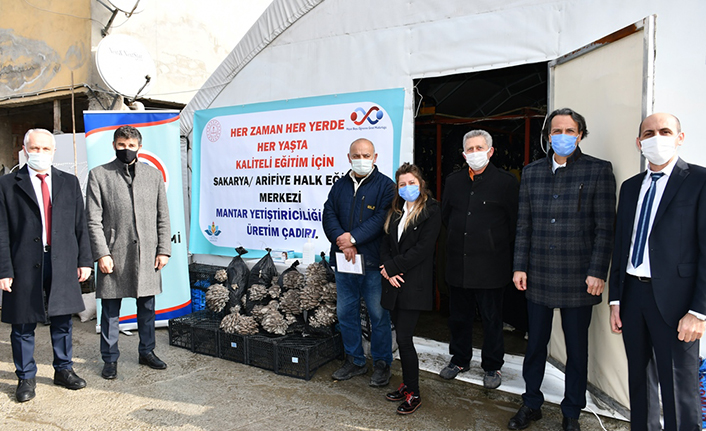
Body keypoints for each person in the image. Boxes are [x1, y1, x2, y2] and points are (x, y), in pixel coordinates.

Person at [509, 108, 616, 431]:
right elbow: (524, 225)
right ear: (548, 135)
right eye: (557, 131)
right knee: (535, 345)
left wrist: (598, 271)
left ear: (580, 135)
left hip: (579, 277)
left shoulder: (598, 170)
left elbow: (605, 228)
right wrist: (519, 266)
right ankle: (531, 403)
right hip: (538, 274)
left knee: (576, 350)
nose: (563, 136)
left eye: (570, 131)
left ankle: (572, 413)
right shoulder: (532, 172)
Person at [609, 113, 706, 430]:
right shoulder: (630, 187)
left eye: (665, 131)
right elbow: (621, 245)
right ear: (639, 143)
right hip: (632, 296)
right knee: (639, 382)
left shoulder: (699, 181)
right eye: (649, 133)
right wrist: (615, 300)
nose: (657, 138)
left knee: (678, 387)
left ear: (680, 138)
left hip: (677, 302)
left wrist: (699, 312)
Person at [0, 129, 93, 402]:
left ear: (54, 152)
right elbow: (1, 231)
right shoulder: (7, 184)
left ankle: (64, 369)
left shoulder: (69, 182)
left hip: (62, 260)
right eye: (34, 148)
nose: (39, 153)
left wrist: (84, 260)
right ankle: (25, 377)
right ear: (24, 150)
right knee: (22, 322)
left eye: (45, 149)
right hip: (23, 262)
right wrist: (4, 270)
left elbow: (80, 224)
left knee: (62, 319)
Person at [86, 125, 171, 380]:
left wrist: (163, 250)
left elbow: (163, 216)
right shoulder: (99, 175)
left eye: (131, 145)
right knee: (110, 311)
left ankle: (147, 351)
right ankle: (110, 358)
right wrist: (102, 254)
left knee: (147, 308)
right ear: (114, 145)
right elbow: (93, 220)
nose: (127, 149)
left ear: (139, 147)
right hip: (114, 254)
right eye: (122, 145)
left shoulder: (153, 175)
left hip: (147, 254)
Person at [439, 130, 519, 390]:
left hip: (491, 266)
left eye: (479, 148)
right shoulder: (453, 181)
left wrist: (490, 241)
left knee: (491, 319)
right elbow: (447, 216)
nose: (475, 153)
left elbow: (513, 223)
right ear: (463, 155)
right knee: (459, 318)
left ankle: (492, 365)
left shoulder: (506, 182)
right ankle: (459, 359)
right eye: (470, 149)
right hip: (458, 264)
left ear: (491, 151)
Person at [323, 138, 395, 386]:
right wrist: (343, 241)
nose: (361, 160)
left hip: (373, 264)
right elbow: (329, 214)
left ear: (375, 158)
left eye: (366, 155)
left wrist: (353, 238)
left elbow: (382, 219)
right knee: (346, 313)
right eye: (356, 155)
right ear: (349, 157)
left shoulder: (386, 186)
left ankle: (382, 363)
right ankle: (355, 360)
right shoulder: (339, 185)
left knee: (378, 315)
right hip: (345, 262)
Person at [379, 163, 441, 414]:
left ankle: (414, 393)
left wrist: (391, 267)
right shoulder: (395, 210)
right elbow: (385, 242)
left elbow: (423, 249)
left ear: (421, 183)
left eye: (411, 183)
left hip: (413, 284)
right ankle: (407, 384)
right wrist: (387, 269)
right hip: (394, 283)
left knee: (404, 339)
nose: (407, 188)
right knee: (401, 338)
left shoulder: (432, 210)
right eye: (402, 184)